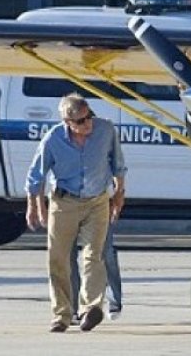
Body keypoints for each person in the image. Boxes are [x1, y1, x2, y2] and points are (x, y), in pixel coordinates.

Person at [25, 93, 126, 333]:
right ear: (68, 123)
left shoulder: (105, 131)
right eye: (81, 121)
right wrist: (33, 205)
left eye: (89, 116)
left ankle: (91, 308)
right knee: (58, 259)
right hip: (64, 202)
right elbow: (36, 175)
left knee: (94, 255)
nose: (88, 123)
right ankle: (61, 314)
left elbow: (118, 164)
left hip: (97, 201)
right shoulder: (53, 140)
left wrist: (120, 192)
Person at [70, 223, 123, 323]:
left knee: (105, 251)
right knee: (67, 254)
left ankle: (114, 300)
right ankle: (73, 308)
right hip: (69, 210)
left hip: (99, 209)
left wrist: (117, 206)